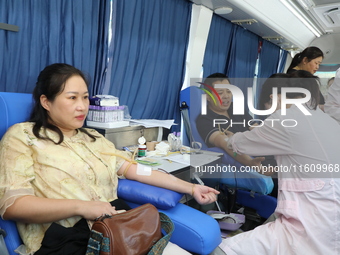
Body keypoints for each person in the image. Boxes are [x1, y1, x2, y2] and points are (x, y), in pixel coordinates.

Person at [0, 63, 219, 255]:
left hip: (120, 229)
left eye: (85, 97)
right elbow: (13, 206)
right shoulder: (23, 137)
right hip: (67, 240)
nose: (82, 106)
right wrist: (83, 207)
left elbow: (137, 170)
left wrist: (191, 188)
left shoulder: (95, 138)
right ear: (46, 102)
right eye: (72, 98)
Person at [218, 70, 340, 255]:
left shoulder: (286, 117)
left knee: (226, 249)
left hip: (309, 225)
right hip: (329, 218)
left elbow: (240, 144)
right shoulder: (329, 122)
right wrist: (277, 168)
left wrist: (229, 138)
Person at [195, 73, 265, 168]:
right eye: (220, 93)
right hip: (251, 160)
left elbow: (258, 131)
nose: (226, 96)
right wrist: (250, 162)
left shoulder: (236, 108)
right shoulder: (205, 120)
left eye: (229, 91)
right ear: (208, 97)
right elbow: (226, 143)